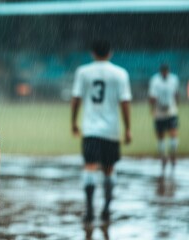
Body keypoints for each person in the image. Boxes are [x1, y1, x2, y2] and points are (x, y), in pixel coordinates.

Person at [71, 40, 132, 223]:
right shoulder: (120, 73)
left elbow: (76, 99)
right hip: (111, 130)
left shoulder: (83, 72)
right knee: (109, 168)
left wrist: (74, 121)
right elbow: (125, 103)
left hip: (90, 129)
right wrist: (128, 128)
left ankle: (89, 209)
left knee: (90, 165)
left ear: (92, 52)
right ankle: (106, 208)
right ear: (110, 52)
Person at [149, 64, 179, 174]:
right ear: (161, 72)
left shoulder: (174, 79)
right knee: (161, 136)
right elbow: (152, 96)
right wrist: (153, 108)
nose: (165, 73)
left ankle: (173, 155)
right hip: (159, 112)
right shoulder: (155, 81)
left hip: (171, 111)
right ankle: (163, 157)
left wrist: (176, 105)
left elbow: (176, 93)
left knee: (173, 134)